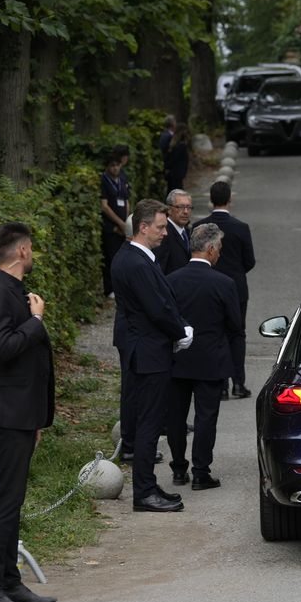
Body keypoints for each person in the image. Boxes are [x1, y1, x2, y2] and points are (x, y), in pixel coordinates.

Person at [0, 222, 58, 602]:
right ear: (22, 251)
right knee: (5, 501)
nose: (33, 253)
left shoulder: (13, 290)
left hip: (19, 413)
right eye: (32, 247)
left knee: (12, 499)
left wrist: (36, 417)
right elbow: (2, 348)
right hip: (4, 414)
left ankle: (9, 581)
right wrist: (36, 322)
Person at [111, 199, 194, 512]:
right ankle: (144, 491)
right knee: (149, 423)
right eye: (160, 227)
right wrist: (181, 331)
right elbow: (156, 307)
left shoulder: (134, 257)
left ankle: (147, 485)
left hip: (146, 349)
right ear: (142, 227)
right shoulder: (135, 262)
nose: (164, 233)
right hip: (148, 352)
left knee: (148, 421)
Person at [166, 223, 244, 490]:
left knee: (175, 417)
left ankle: (178, 468)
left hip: (177, 359)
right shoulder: (224, 283)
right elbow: (235, 325)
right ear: (210, 249)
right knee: (205, 418)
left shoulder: (171, 280)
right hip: (211, 360)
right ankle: (201, 471)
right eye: (219, 249)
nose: (220, 254)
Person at [193, 181, 255, 399]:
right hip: (236, 287)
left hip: (207, 286)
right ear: (230, 199)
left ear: (210, 199)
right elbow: (250, 261)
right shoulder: (241, 227)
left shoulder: (200, 227)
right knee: (236, 334)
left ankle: (219, 384)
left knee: (214, 332)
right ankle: (238, 382)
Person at [100, 151, 130, 298]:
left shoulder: (122, 179)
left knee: (122, 256)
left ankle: (122, 286)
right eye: (112, 166)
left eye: (117, 165)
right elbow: (104, 206)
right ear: (107, 167)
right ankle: (110, 288)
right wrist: (119, 223)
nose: (115, 168)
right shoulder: (104, 181)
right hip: (110, 226)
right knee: (110, 257)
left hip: (122, 225)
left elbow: (126, 200)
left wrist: (126, 222)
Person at [154, 189, 194, 276]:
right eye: (180, 207)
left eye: (189, 207)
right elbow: (159, 270)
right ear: (169, 209)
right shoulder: (163, 234)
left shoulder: (187, 232)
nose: (186, 212)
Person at [164, 123, 191, 193]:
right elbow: (175, 160)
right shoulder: (181, 146)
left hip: (174, 173)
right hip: (177, 173)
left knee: (172, 191)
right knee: (177, 192)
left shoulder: (173, 145)